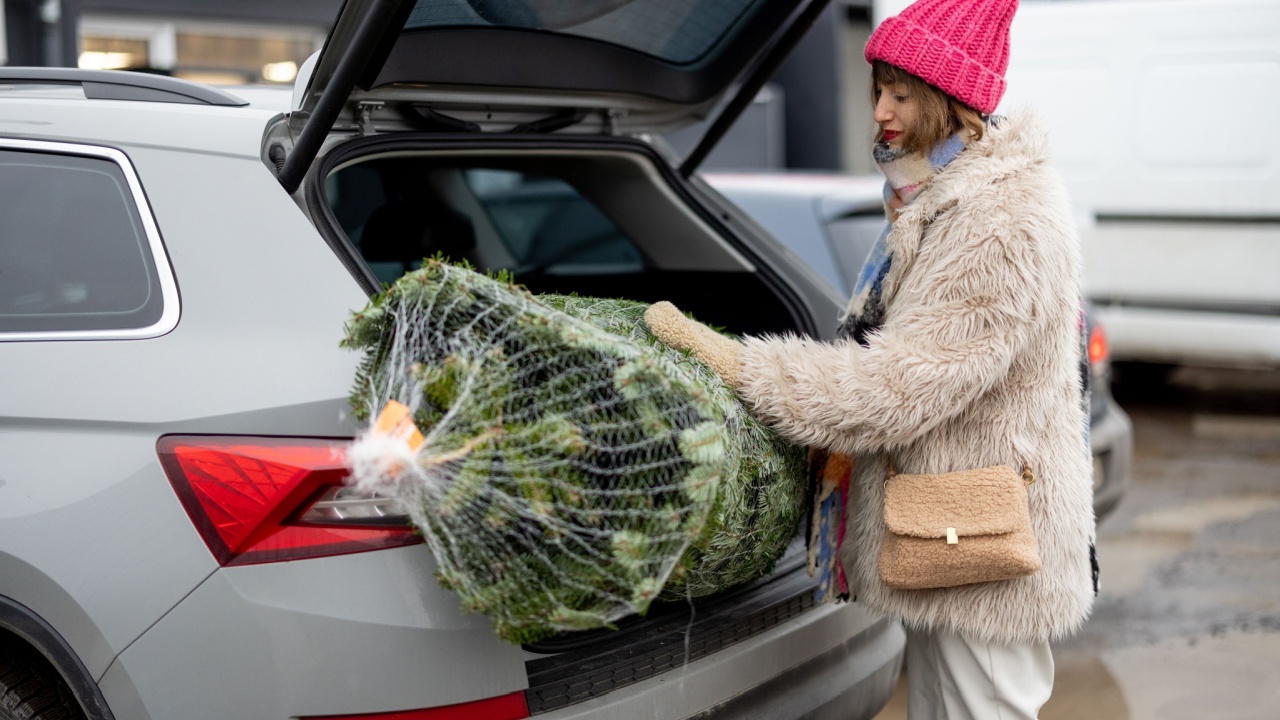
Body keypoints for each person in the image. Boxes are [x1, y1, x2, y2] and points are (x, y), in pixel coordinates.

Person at [644, 0, 1097, 717]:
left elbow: (896, 386)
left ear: (951, 100)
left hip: (985, 547)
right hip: (952, 531)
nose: (881, 112)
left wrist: (742, 366)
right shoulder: (940, 199)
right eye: (876, 90)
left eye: (902, 93)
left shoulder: (998, 221)